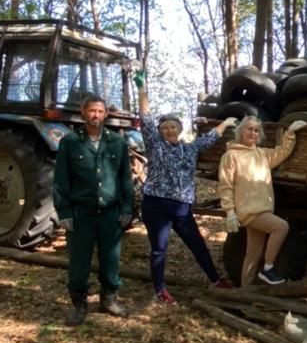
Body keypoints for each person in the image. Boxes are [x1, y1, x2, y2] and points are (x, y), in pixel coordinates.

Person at [137, 74, 236, 304]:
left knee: (197, 244)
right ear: (160, 131)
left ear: (180, 129)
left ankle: (215, 280)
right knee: (159, 249)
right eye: (166, 127)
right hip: (156, 205)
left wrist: (227, 123)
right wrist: (142, 90)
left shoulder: (190, 149)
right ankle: (160, 290)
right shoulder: (155, 145)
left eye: (173, 126)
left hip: (181, 207)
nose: (170, 130)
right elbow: (146, 118)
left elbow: (211, 137)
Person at [53, 93, 135, 326]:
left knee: (111, 259)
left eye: (100, 111)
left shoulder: (117, 142)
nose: (95, 115)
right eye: (91, 111)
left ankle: (109, 299)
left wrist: (127, 209)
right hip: (81, 213)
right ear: (83, 113)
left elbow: (125, 179)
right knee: (79, 262)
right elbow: (61, 180)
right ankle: (79, 304)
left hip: (110, 212)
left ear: (106, 114)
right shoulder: (69, 142)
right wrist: (64, 212)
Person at [218, 116, 307, 285]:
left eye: (256, 130)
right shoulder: (231, 155)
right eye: (249, 129)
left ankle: (245, 292)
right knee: (281, 227)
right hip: (249, 211)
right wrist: (230, 212)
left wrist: (290, 133)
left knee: (252, 254)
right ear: (240, 132)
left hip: (263, 209)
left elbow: (282, 152)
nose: (252, 133)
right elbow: (226, 185)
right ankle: (268, 269)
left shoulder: (262, 154)